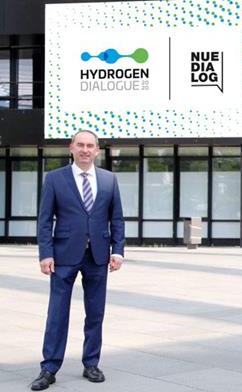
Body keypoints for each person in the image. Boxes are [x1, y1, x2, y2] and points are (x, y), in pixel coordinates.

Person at [32, 130, 125, 391]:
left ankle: (91, 363)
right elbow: (44, 219)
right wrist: (45, 253)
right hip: (63, 255)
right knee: (57, 313)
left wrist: (118, 251)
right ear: (71, 148)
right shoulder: (55, 179)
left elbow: (116, 218)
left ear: (97, 150)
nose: (85, 150)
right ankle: (49, 368)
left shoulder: (109, 180)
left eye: (90, 146)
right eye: (80, 145)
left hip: (98, 256)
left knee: (95, 313)